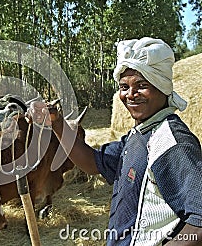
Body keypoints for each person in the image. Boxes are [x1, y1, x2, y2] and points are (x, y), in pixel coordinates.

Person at [29, 37, 202, 245]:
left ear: (162, 86)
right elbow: (92, 163)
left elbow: (198, 223)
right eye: (124, 86)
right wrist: (56, 123)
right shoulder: (140, 134)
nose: (131, 95)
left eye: (141, 85)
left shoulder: (173, 144)